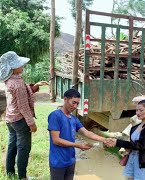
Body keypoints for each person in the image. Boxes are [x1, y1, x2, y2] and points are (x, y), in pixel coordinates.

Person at [0, 51, 48, 180]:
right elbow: (23, 106)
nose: (23, 66)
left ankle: (10, 173)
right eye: (20, 64)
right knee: (23, 148)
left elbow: (19, 97)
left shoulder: (10, 80)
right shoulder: (18, 83)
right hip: (20, 121)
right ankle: (22, 177)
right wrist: (31, 123)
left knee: (12, 146)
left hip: (11, 120)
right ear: (13, 68)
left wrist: (35, 86)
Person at [47, 88, 108, 180]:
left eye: (77, 104)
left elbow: (87, 133)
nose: (75, 106)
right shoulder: (55, 116)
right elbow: (56, 140)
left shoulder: (73, 119)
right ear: (65, 99)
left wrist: (104, 139)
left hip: (71, 161)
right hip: (58, 162)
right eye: (73, 102)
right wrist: (78, 145)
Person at [105, 98, 145, 180]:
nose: (138, 113)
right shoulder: (134, 127)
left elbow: (141, 145)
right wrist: (115, 143)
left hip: (144, 163)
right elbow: (132, 144)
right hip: (132, 160)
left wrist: (118, 142)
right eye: (136, 110)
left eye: (141, 110)